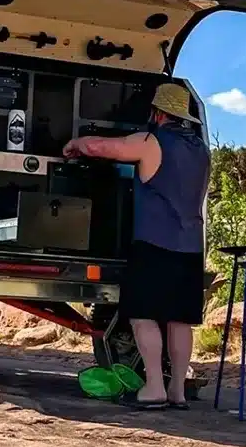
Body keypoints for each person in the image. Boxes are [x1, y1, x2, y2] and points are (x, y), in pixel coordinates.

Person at [63, 82, 211, 409]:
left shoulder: (150, 141)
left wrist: (77, 143)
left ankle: (154, 387)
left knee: (143, 316)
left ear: (158, 113)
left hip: (153, 244)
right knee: (179, 321)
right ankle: (177, 391)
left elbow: (105, 147)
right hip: (190, 247)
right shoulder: (202, 150)